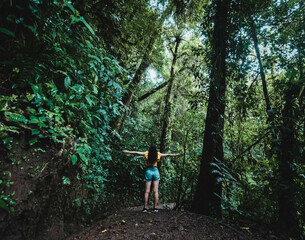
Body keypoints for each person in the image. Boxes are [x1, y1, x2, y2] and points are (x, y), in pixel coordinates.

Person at [122, 144, 180, 212]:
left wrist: (127, 151)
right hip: (155, 171)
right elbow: (168, 155)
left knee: (147, 191)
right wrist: (176, 154)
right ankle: (155, 208)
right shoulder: (158, 154)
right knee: (156, 191)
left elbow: (136, 153)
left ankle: (145, 208)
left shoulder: (146, 153)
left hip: (148, 171)